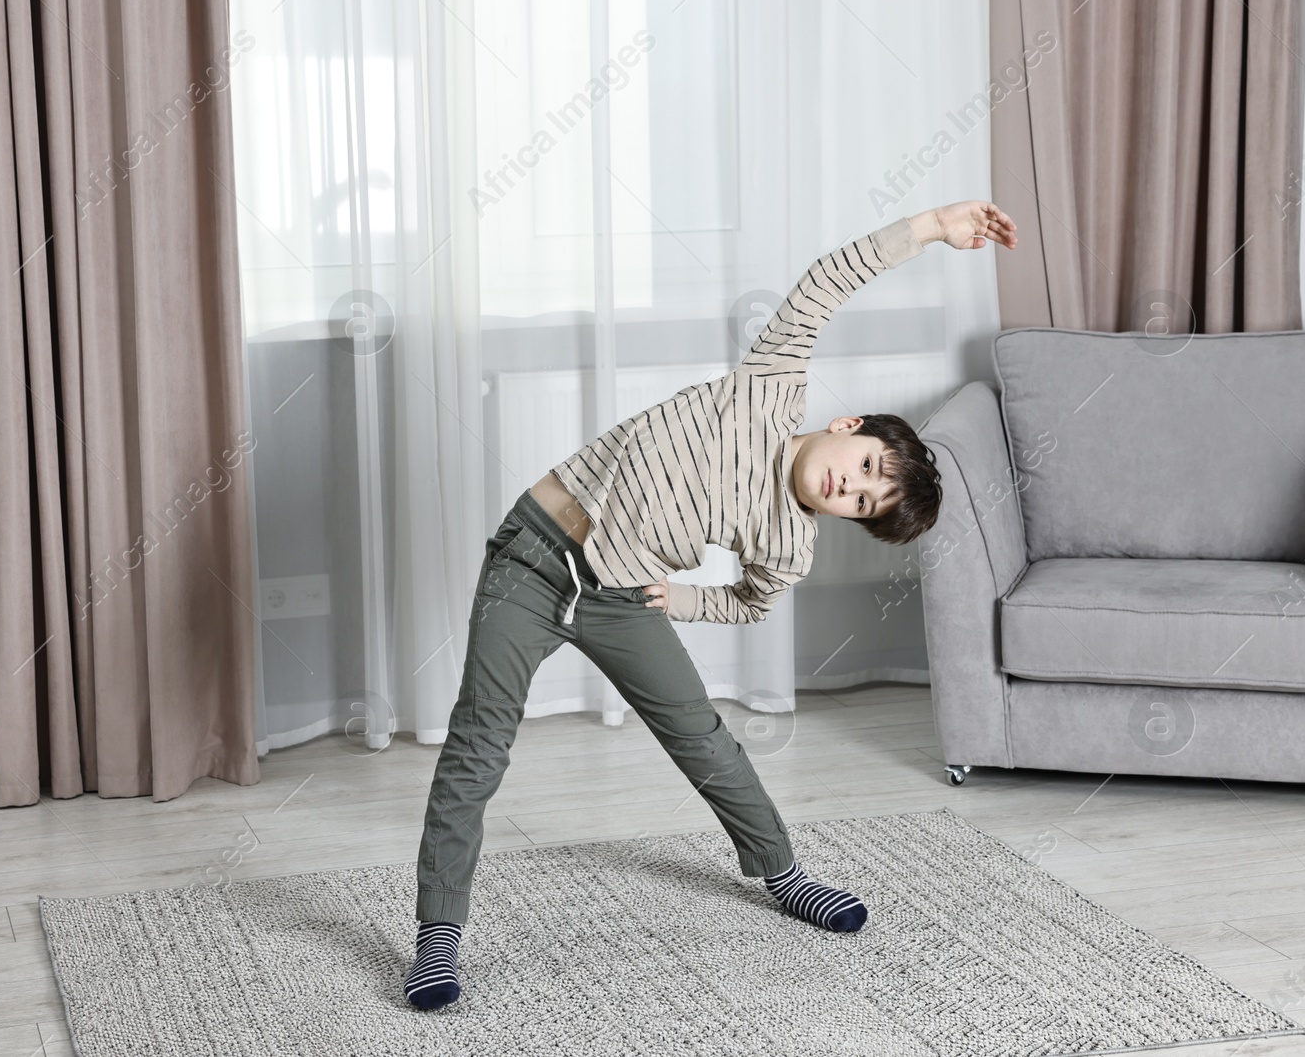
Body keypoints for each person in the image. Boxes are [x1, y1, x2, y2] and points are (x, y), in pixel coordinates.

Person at [404, 201, 1018, 1010]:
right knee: (480, 742)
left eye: (866, 502)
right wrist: (935, 226)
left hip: (621, 597)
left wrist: (684, 598)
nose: (853, 486)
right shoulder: (769, 385)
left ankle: (783, 872)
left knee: (703, 736)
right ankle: (437, 936)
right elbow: (829, 279)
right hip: (533, 559)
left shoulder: (790, 544)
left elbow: (750, 601)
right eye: (866, 463)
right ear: (848, 424)